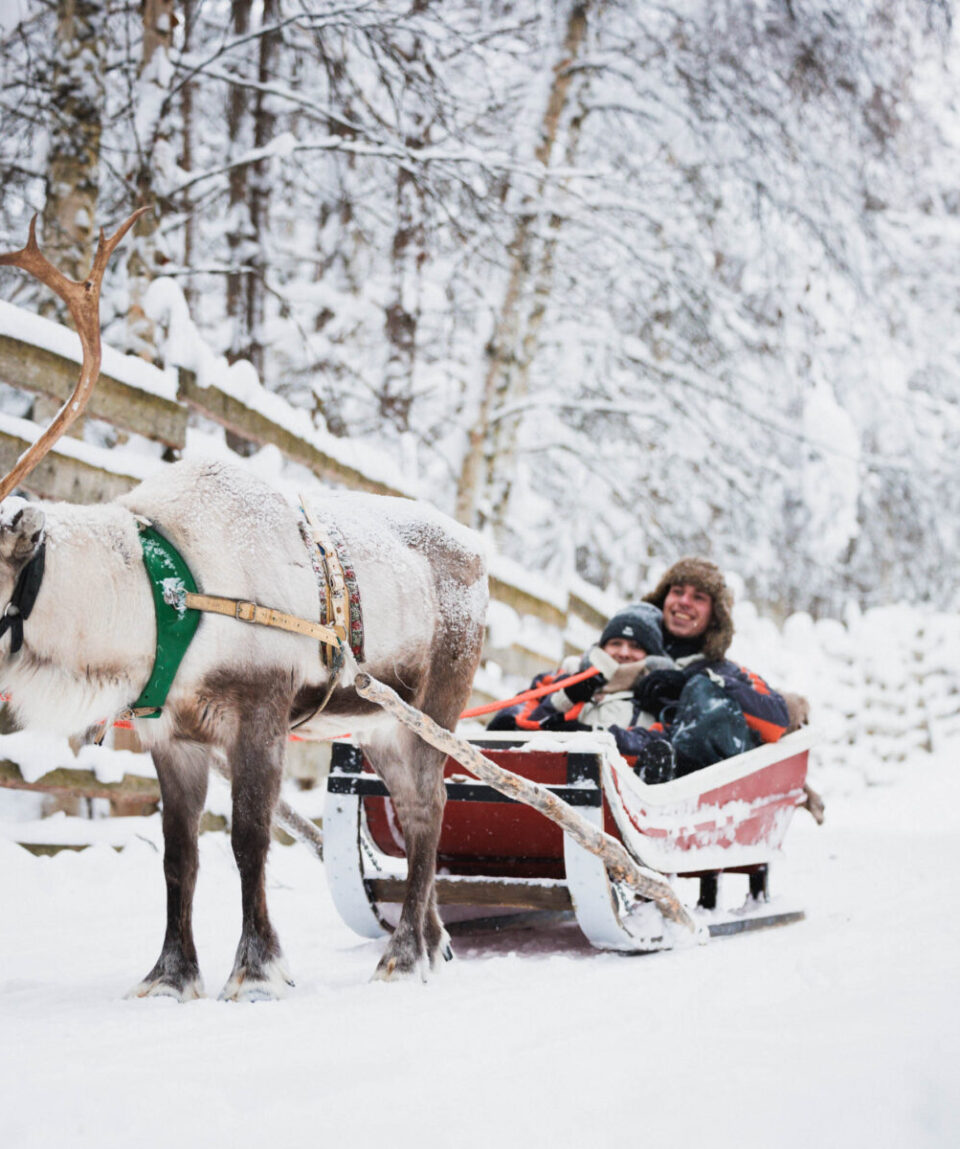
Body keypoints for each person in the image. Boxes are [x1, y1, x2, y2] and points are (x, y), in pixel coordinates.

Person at [621, 556, 790, 780]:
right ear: (663, 598)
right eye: (677, 591)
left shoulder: (726, 672)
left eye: (698, 597)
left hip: (679, 782)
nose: (684, 601)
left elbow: (776, 720)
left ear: (715, 614)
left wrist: (698, 681)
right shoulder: (625, 650)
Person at [486, 602, 679, 772]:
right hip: (540, 776)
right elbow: (513, 724)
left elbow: (656, 747)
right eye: (616, 643)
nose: (624, 652)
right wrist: (564, 699)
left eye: (636, 646)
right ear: (602, 647)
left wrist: (588, 736)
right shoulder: (563, 677)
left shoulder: (661, 696)